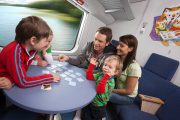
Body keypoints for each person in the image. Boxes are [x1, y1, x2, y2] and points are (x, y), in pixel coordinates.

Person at [0, 16, 60, 88]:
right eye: (46, 41)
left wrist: (12, 80)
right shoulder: (14, 52)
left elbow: (21, 69)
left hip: (13, 77)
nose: (48, 44)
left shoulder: (32, 49)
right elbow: (23, 82)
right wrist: (49, 77)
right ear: (33, 40)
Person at [80, 55, 123, 120]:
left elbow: (99, 90)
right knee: (85, 116)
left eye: (110, 67)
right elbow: (89, 77)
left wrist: (105, 77)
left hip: (99, 105)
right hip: (91, 99)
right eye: (105, 65)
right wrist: (91, 65)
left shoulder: (110, 82)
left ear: (115, 72)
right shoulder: (101, 74)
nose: (106, 67)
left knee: (97, 117)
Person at [109, 34, 142, 105]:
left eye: (122, 46)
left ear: (130, 49)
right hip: (116, 89)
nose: (117, 47)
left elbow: (128, 91)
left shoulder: (134, 67)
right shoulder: (118, 60)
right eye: (118, 44)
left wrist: (110, 90)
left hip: (127, 97)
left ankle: (100, 116)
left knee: (103, 93)